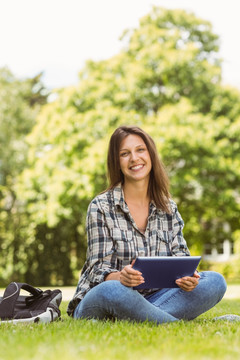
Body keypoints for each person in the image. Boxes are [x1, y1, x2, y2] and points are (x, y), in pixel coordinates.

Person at [67, 125, 228, 324]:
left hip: (155, 298)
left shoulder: (168, 208)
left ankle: (141, 318)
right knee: (114, 290)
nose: (134, 158)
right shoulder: (100, 206)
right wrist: (121, 278)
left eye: (140, 150)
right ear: (117, 162)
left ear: (150, 154)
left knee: (214, 282)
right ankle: (175, 324)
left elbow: (181, 258)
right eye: (125, 153)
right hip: (104, 299)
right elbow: (98, 271)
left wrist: (189, 280)